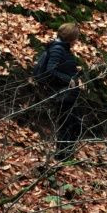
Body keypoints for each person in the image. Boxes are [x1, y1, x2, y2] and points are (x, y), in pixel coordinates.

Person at [35, 23, 83, 160]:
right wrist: (68, 80)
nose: (77, 40)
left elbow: (61, 68)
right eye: (76, 37)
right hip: (62, 94)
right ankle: (62, 157)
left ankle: (65, 155)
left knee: (73, 125)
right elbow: (51, 70)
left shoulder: (62, 49)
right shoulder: (58, 49)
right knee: (67, 125)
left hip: (67, 94)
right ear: (71, 37)